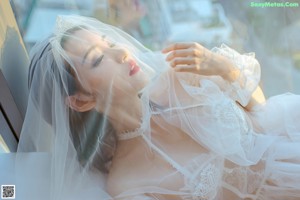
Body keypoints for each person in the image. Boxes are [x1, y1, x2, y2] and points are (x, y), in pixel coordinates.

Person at [18, 15, 300, 200]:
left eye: (110, 43)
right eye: (97, 59)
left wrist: (225, 69)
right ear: (81, 101)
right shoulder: (128, 184)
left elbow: (260, 111)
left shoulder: (181, 74)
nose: (121, 53)